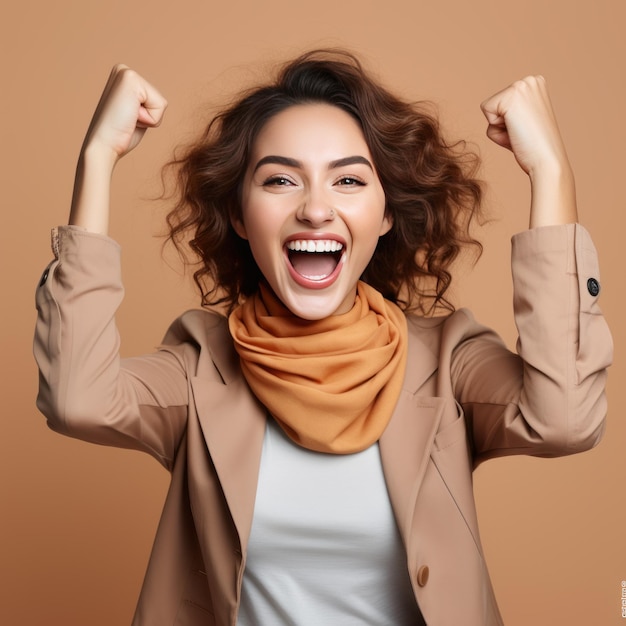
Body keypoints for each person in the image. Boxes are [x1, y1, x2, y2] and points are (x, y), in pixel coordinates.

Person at [34, 49, 612, 626]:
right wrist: (97, 159)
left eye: (349, 180)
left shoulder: (447, 361)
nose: (315, 209)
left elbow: (563, 417)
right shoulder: (199, 365)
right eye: (281, 179)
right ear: (240, 215)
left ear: (385, 213)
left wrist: (552, 173)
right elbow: (77, 398)